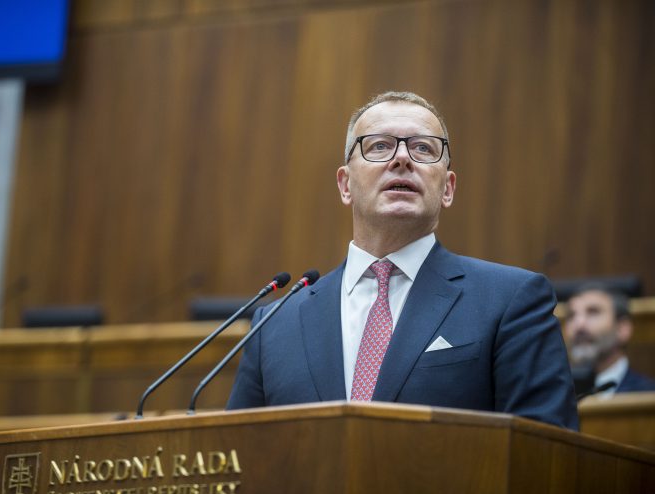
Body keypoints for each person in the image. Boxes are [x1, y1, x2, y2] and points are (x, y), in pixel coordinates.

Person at [227, 91, 578, 430]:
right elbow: (238, 457)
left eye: (423, 148)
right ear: (345, 185)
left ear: (448, 189)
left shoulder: (511, 300)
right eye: (379, 146)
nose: (402, 158)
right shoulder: (273, 325)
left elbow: (544, 455)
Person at [565, 284, 655, 395]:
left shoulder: (648, 395)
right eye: (571, 315)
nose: (578, 324)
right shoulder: (557, 395)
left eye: (593, 312)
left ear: (622, 328)